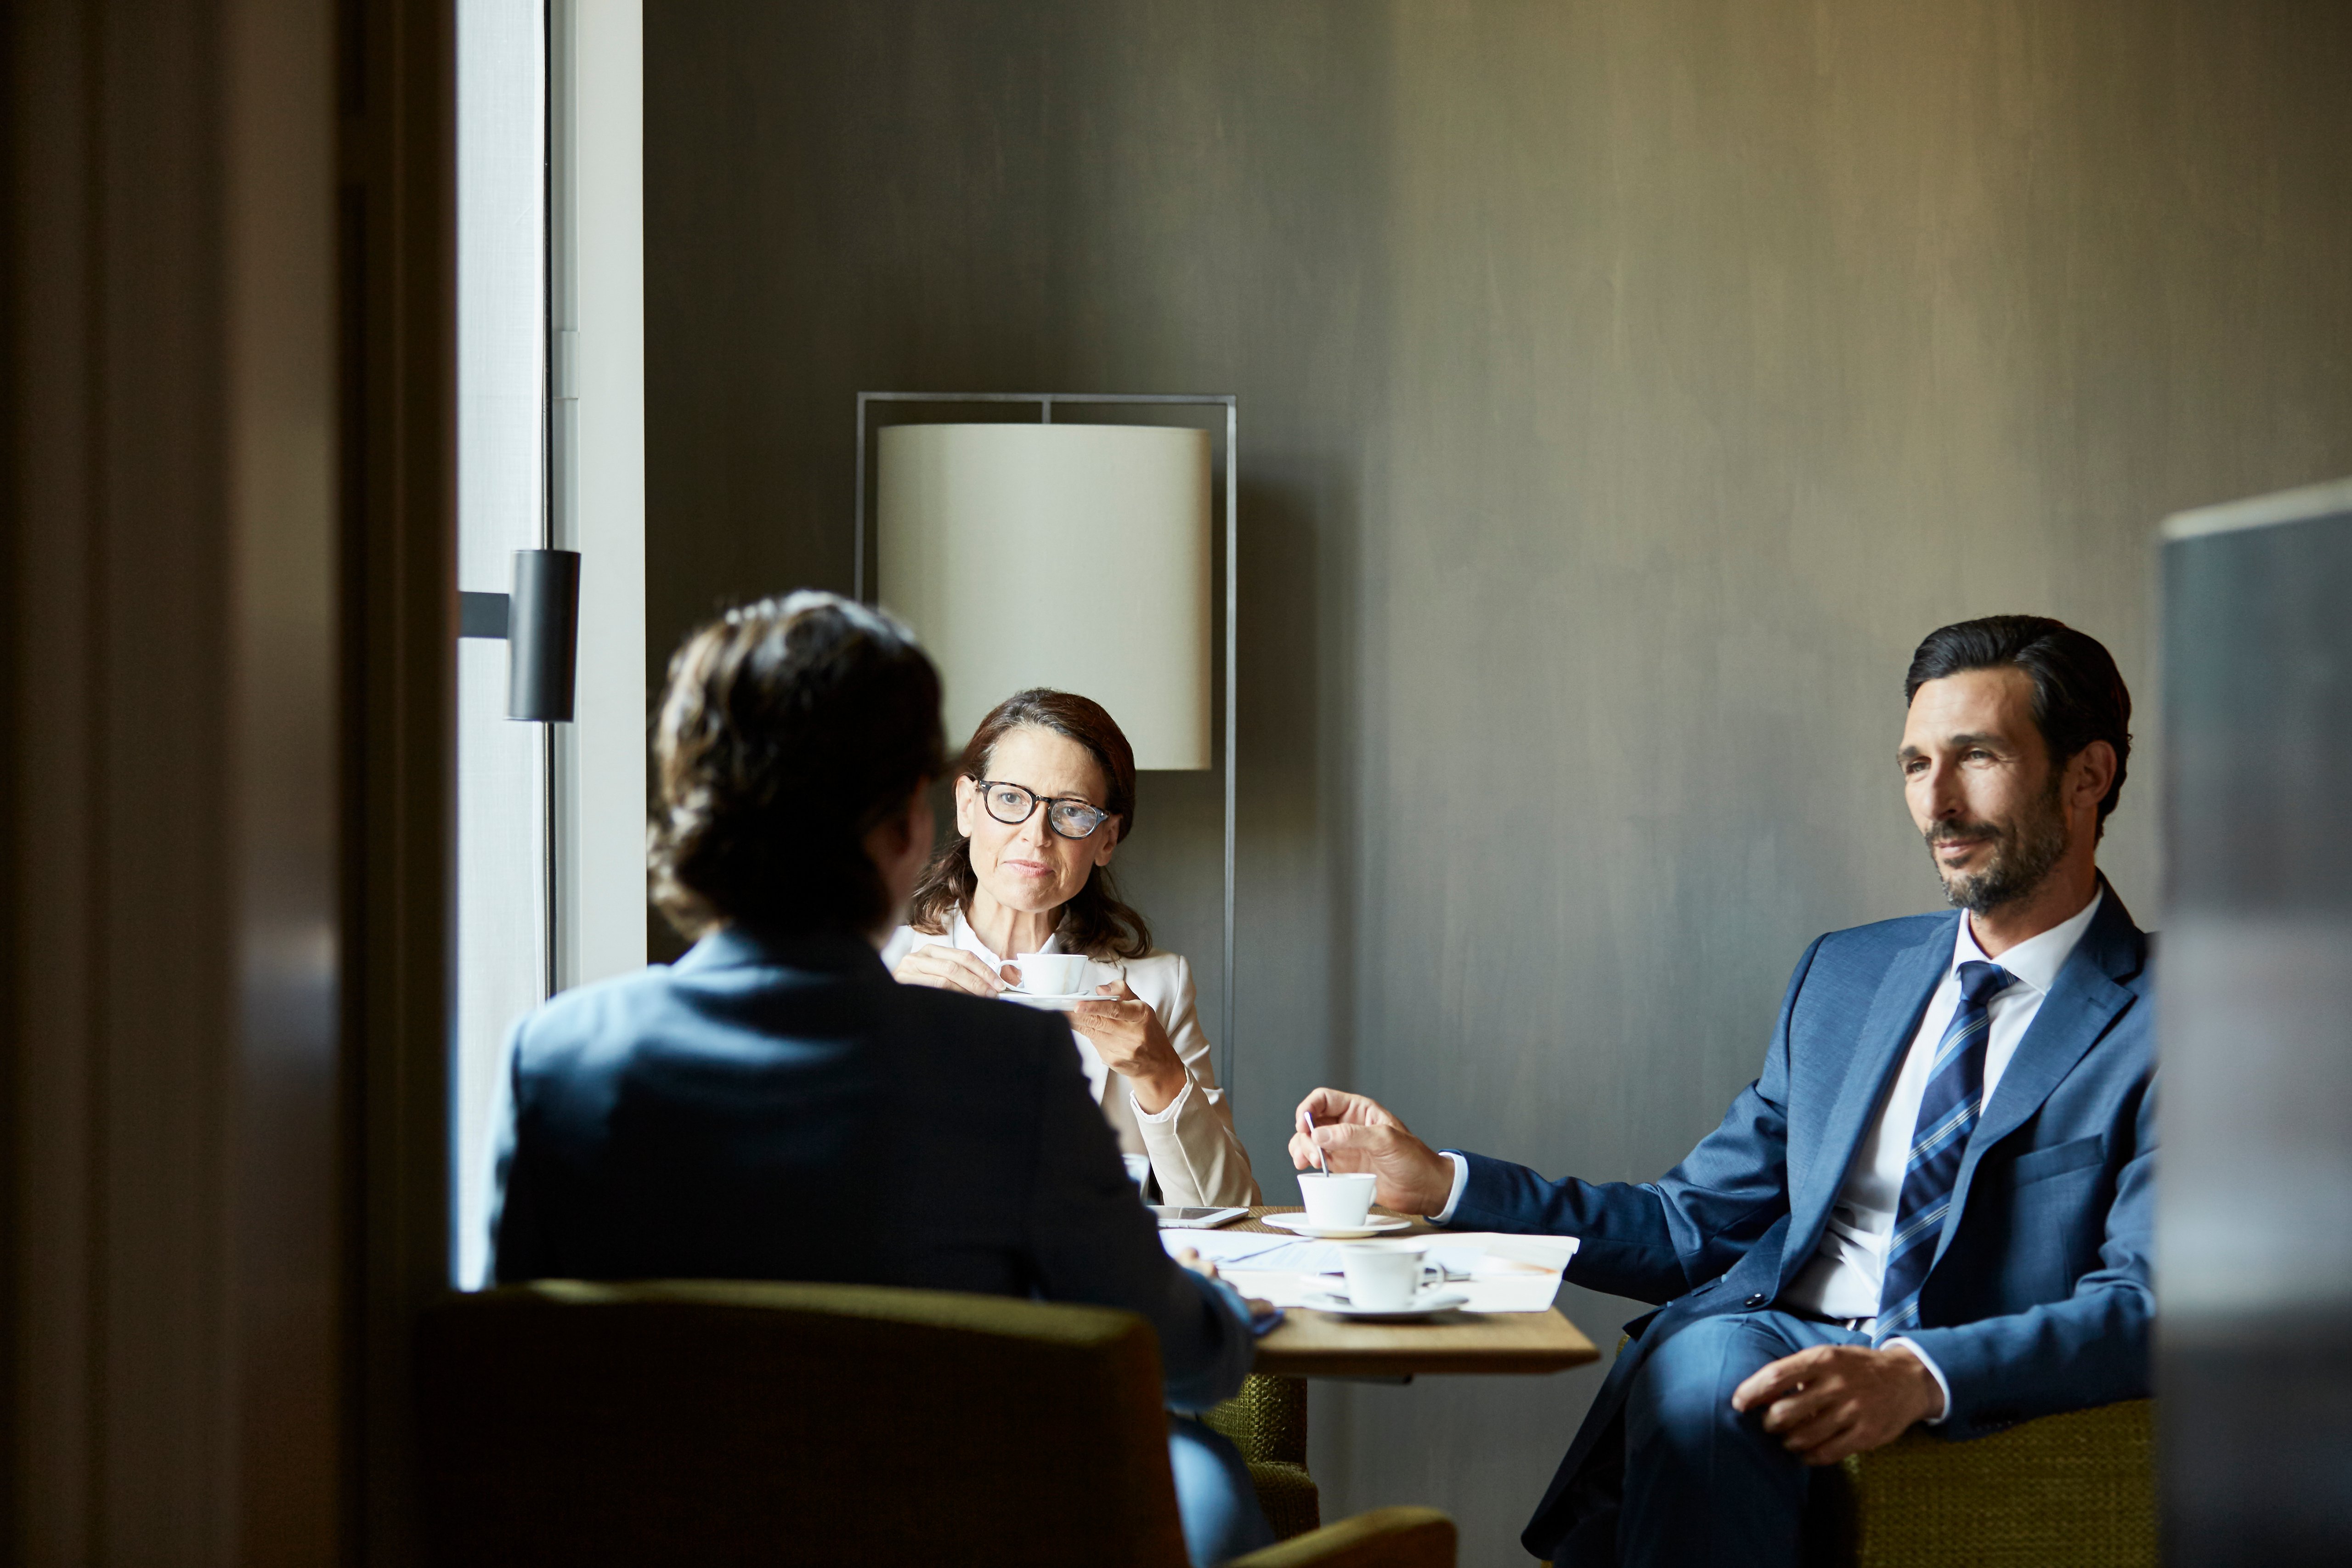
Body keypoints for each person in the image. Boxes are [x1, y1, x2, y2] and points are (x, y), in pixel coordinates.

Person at [1289, 616, 2153, 1568]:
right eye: (1915, 764)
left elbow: (2151, 1299)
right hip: (1765, 1342)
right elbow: (1687, 1225)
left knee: (1707, 1391)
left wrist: (1916, 1371)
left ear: (2087, 774)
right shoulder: (1846, 975)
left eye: (1977, 756)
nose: (1937, 802)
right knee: (1709, 1369)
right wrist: (1442, 1182)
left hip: (1966, 1379)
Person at [486, 592, 1274, 1566]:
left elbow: (507, 1376)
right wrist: (1220, 1309)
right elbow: (1188, 1359)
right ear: (918, 822)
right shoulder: (1011, 1066)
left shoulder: (553, 1058)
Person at [883, 689, 1260, 1209]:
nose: (1036, 835)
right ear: (967, 806)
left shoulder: (1155, 987)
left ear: (1106, 839)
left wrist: (1161, 1076)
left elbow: (1232, 1207)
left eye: (1072, 811)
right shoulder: (883, 971)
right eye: (1010, 798)